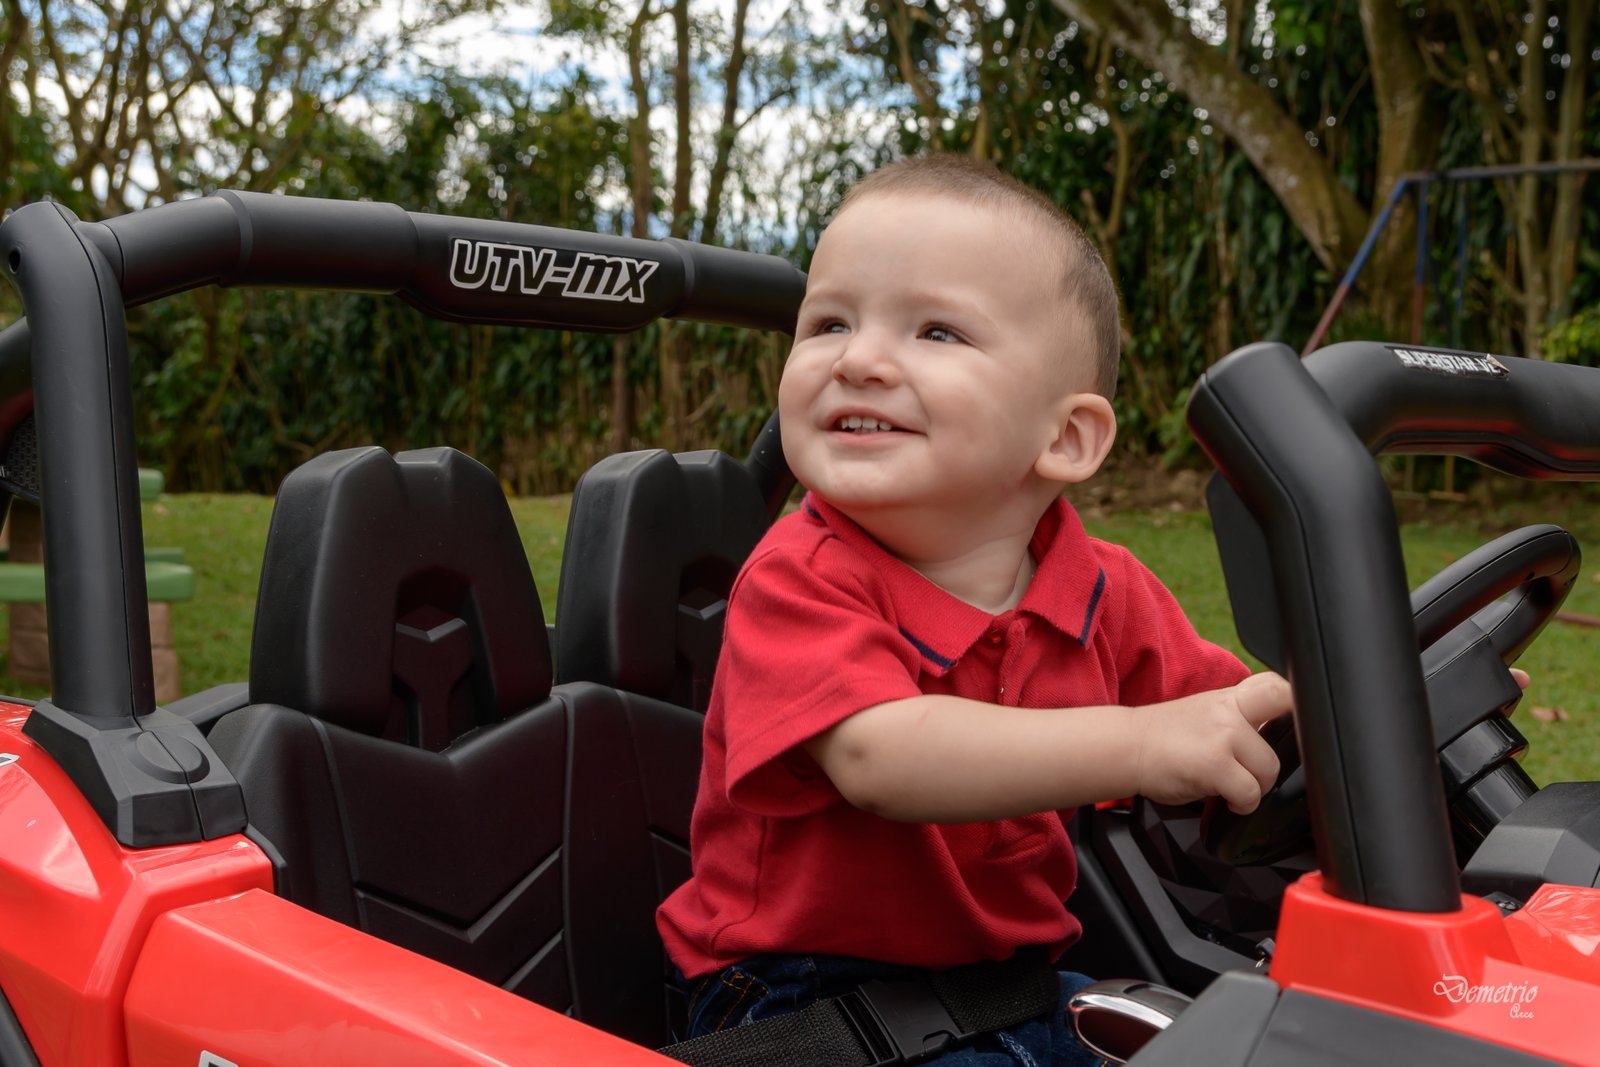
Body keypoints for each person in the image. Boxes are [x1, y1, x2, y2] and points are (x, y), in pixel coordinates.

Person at [655, 154, 1294, 1066]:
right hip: (801, 1001)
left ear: (1066, 436)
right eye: (829, 321)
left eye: (938, 332)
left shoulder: (1103, 588)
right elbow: (885, 754)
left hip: (1010, 986)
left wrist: (1381, 700)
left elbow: (1243, 718)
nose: (861, 358)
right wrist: (1146, 741)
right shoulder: (799, 574)